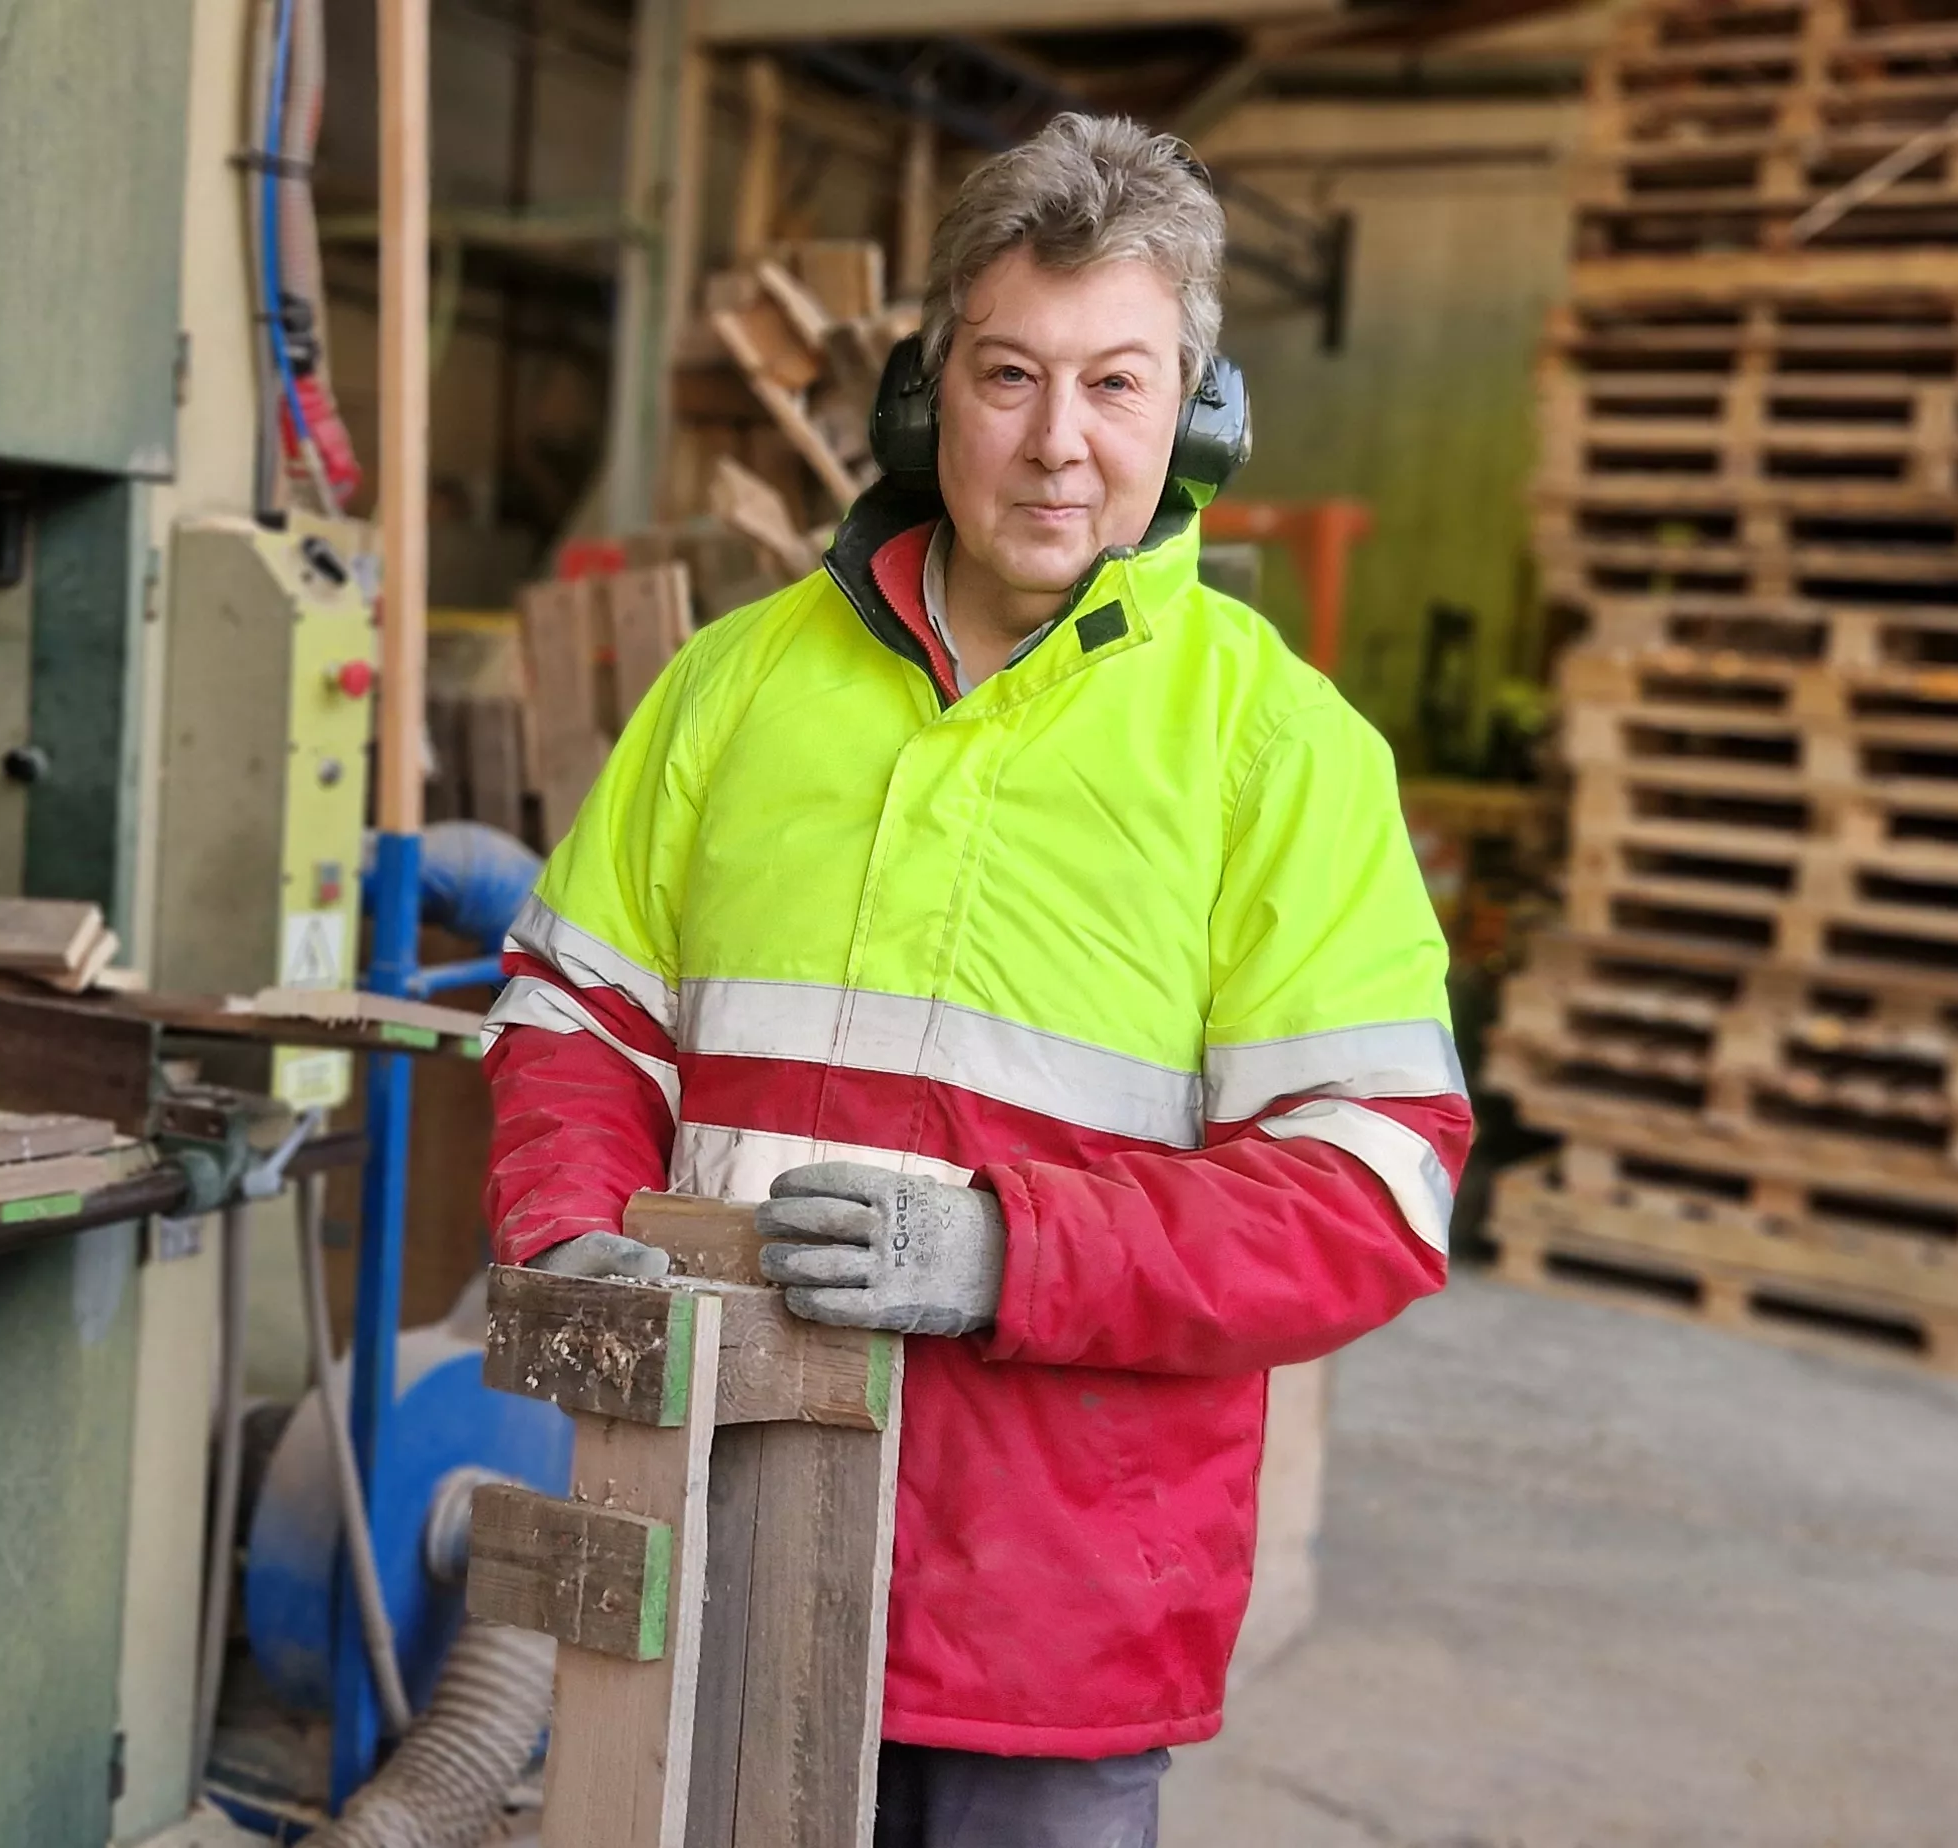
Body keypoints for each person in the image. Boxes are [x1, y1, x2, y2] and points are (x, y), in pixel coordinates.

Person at [478, 115, 1464, 1847]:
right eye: (1011, 376)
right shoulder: (732, 688)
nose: (1062, 446)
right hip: (725, 1534)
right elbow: (579, 1018)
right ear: (929, 390)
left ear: (1199, 409)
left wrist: (1014, 1249)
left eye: (1119, 385)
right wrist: (572, 1238)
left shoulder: (1280, 751)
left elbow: (1372, 1189)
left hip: (1055, 1616)